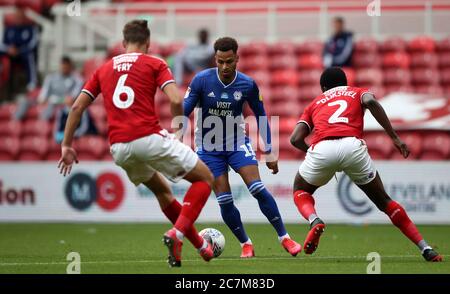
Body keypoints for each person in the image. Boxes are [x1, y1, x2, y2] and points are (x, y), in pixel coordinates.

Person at [57, 19, 215, 267]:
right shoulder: (155, 62)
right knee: (205, 178)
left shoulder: (103, 68)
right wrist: (177, 130)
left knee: (162, 191)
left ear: (123, 43)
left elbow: (76, 107)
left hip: (119, 149)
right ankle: (177, 233)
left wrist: (66, 145)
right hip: (147, 137)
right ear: (148, 43)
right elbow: (175, 98)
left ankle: (201, 247)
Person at [289, 67, 442, 262]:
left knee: (300, 190)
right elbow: (370, 101)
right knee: (384, 202)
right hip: (353, 146)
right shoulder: (358, 91)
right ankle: (426, 248)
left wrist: (314, 153)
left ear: (323, 87)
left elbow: (294, 139)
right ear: (345, 82)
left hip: (322, 148)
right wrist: (394, 138)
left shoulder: (315, 103)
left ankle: (314, 220)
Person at [184, 37, 302, 258]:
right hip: (209, 148)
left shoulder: (247, 84)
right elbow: (183, 112)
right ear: (215, 59)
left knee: (257, 188)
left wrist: (269, 150)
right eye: (220, 61)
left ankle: (284, 238)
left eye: (229, 61)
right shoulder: (201, 80)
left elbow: (261, 115)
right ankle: (246, 244)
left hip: (237, 142)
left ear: (237, 58)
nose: (225, 66)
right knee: (225, 200)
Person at [15, 56, 84, 120]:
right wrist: (42, 98)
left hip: (58, 102)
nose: (64, 68)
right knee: (24, 101)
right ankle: (15, 120)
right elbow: (43, 95)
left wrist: (60, 100)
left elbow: (71, 98)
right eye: (62, 65)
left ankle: (42, 123)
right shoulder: (51, 77)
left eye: (66, 65)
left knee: (51, 105)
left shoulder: (76, 79)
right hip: (49, 100)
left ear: (70, 66)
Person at [0, 5, 39, 97]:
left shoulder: (31, 28)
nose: (18, 18)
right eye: (16, 16)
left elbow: (32, 44)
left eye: (20, 16)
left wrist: (18, 50)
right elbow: (2, 44)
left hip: (24, 53)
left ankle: (32, 83)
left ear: (24, 16)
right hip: (10, 53)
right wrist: (9, 49)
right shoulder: (9, 29)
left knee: (29, 55)